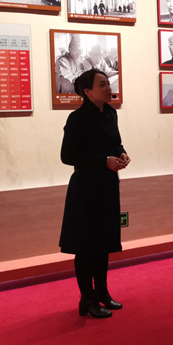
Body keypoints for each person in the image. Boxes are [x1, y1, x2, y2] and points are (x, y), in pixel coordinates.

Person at [59, 69, 130, 319]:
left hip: (107, 186)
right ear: (88, 92)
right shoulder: (77, 118)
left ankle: (102, 293)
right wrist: (103, 161)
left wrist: (121, 153)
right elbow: (67, 156)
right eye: (102, 85)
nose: (108, 88)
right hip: (85, 189)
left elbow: (115, 143)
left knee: (103, 243)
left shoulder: (110, 113)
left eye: (108, 83)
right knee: (85, 246)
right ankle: (87, 300)